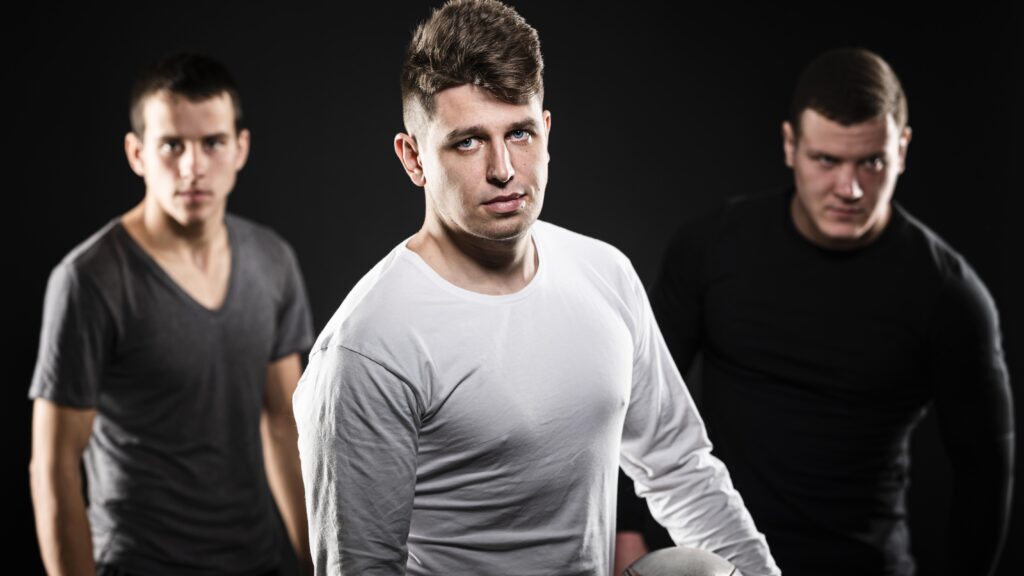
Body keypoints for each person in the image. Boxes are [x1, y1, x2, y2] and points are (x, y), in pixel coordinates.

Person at [292, 1, 779, 575]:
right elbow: (362, 567)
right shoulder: (369, 347)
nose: (503, 168)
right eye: (468, 142)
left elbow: (680, 467)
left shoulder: (605, 273)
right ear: (414, 158)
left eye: (518, 133)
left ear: (545, 132)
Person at [616, 47, 1014, 576]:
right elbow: (637, 401)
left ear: (902, 148)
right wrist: (625, 533)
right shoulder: (712, 248)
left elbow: (984, 473)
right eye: (826, 160)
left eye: (871, 162)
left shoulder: (950, 295)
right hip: (718, 560)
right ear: (790, 145)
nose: (848, 189)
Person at [28, 52, 315, 575]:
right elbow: (54, 466)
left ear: (240, 148)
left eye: (212, 143)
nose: (193, 168)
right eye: (171, 146)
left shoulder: (273, 261)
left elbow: (283, 424)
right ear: (137, 153)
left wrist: (316, 563)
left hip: (254, 562)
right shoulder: (90, 280)